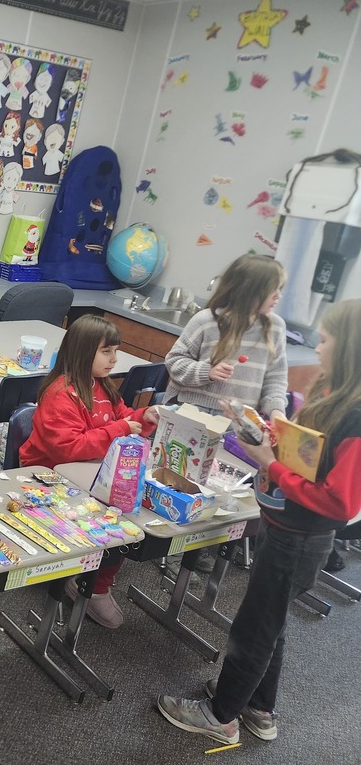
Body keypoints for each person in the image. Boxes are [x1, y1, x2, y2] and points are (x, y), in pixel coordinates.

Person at [157, 299, 361, 745]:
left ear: (347, 347)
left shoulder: (356, 416)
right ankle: (258, 706)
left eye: (325, 340)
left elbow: (339, 503)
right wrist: (271, 437)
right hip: (286, 529)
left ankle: (220, 716)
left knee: (254, 630)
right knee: (270, 625)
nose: (318, 347)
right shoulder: (335, 395)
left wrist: (272, 462)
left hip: (300, 539)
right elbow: (313, 458)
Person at [19, 314, 159, 628]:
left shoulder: (104, 387)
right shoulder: (61, 394)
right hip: (46, 476)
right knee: (117, 511)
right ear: (83, 352)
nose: (114, 358)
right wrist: (122, 428)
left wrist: (144, 415)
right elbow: (68, 449)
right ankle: (87, 583)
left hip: (87, 470)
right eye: (106, 351)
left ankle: (95, 581)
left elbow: (125, 418)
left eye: (115, 350)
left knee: (126, 507)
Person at [164, 253, 289, 573]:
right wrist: (207, 371)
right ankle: (175, 549)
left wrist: (276, 412)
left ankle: (207, 548)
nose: (278, 297)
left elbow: (275, 379)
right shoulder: (206, 321)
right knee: (188, 486)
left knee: (224, 492)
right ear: (251, 289)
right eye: (273, 290)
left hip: (239, 423)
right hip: (196, 418)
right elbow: (174, 364)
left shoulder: (275, 327)